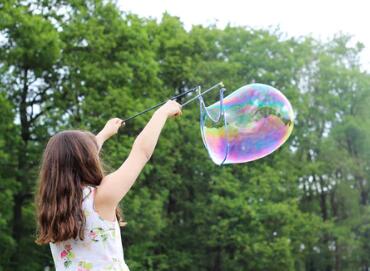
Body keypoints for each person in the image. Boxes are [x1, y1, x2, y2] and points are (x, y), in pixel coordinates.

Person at [34, 100, 182, 271]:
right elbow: (141, 152)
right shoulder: (100, 197)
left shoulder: (53, 207)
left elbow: (71, 160)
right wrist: (162, 113)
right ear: (87, 159)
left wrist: (103, 134)